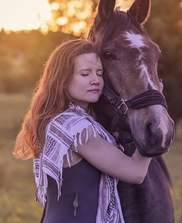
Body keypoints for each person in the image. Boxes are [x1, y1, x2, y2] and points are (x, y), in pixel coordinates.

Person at [13, 39, 152, 223]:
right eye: (85, 74)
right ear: (62, 81)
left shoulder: (60, 121)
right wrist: (154, 132)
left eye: (99, 73)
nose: (95, 80)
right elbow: (136, 173)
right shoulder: (74, 127)